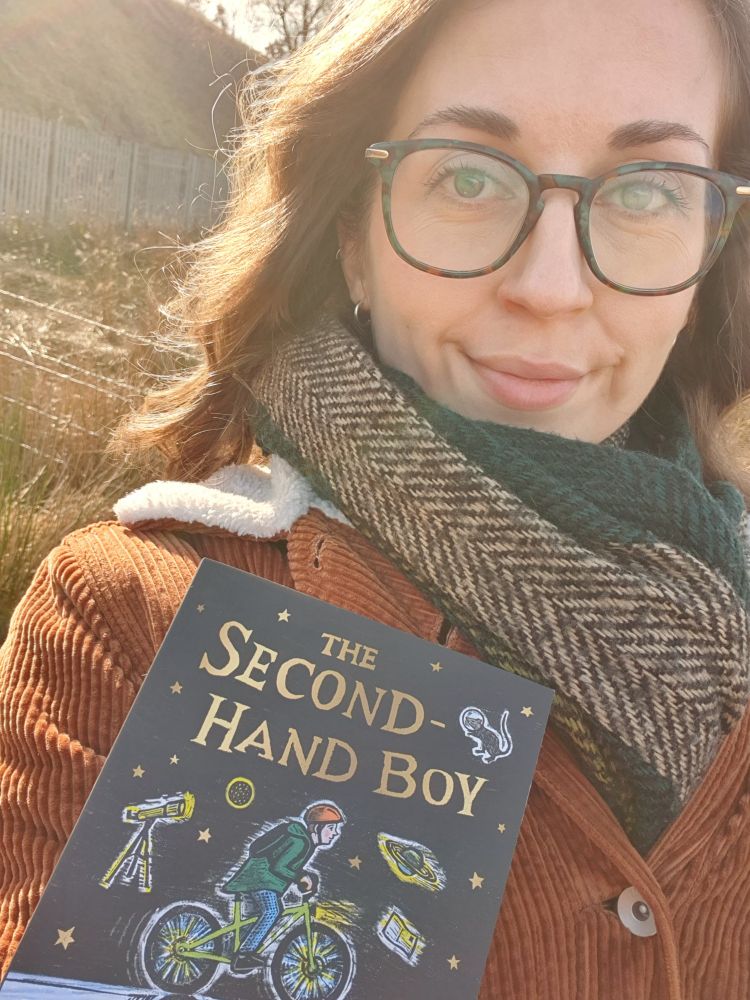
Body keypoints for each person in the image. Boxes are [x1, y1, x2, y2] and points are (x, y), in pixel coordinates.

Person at [1, 0, 749, 996]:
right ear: (352, 232)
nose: (552, 285)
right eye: (469, 178)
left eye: (649, 190)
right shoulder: (133, 616)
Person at [222, 801, 344, 973]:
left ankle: (228, 949)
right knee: (272, 911)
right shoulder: (300, 842)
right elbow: (279, 866)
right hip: (260, 880)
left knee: (253, 922)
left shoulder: (304, 842)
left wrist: (306, 878)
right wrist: (300, 877)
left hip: (258, 880)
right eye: (331, 828)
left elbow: (288, 865)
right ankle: (243, 956)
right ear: (316, 828)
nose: (335, 833)